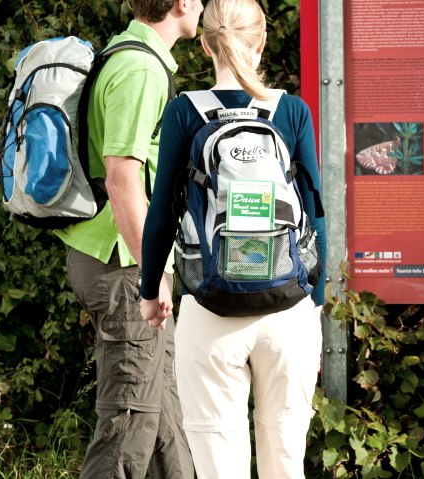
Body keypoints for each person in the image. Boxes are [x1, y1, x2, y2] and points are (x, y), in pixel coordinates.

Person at [139, 0, 327, 477]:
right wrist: (316, 305)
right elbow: (316, 211)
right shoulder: (292, 111)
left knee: (219, 465)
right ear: (261, 42)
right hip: (288, 308)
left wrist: (148, 291)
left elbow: (161, 213)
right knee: (286, 463)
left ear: (205, 45)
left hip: (210, 305)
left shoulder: (185, 112)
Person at [55, 1, 203, 477]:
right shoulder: (140, 67)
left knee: (162, 419)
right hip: (123, 265)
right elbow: (122, 178)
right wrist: (152, 275)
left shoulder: (132, 55)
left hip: (123, 259)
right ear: (180, 3)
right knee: (128, 422)